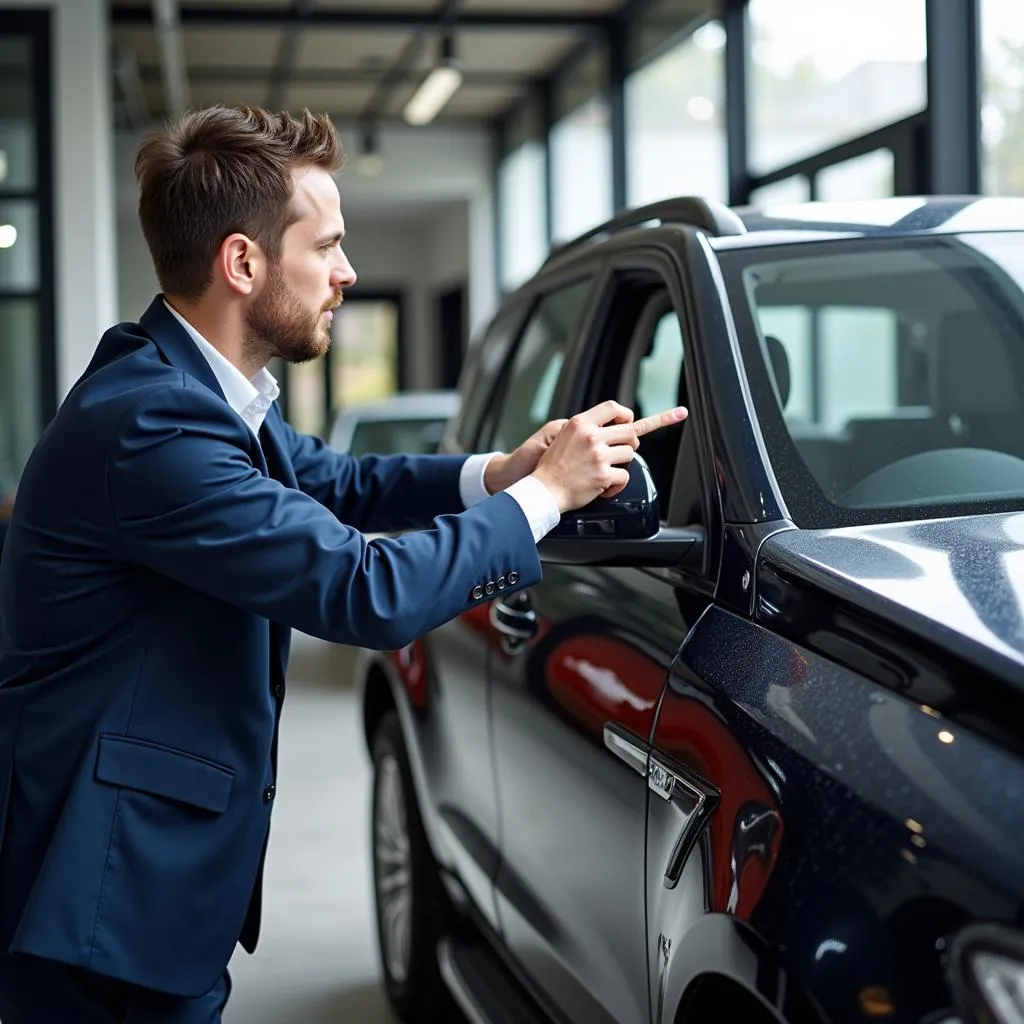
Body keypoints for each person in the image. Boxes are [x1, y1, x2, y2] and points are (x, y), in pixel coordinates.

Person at [0, 105, 685, 1023]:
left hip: (134, 876)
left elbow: (342, 480)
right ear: (243, 263)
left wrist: (503, 472)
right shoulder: (152, 423)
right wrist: (548, 497)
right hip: (100, 891)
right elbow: (365, 590)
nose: (347, 272)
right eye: (325, 245)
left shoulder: (189, 386)